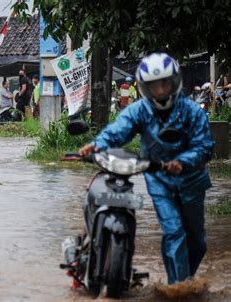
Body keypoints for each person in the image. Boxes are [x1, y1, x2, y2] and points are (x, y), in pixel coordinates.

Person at [79, 52, 214, 285]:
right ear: (144, 87)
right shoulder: (140, 109)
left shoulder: (193, 111)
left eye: (165, 83)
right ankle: (178, 288)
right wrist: (97, 145)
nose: (160, 90)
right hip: (159, 180)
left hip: (192, 181)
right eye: (153, 85)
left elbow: (205, 146)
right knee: (173, 233)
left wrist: (183, 162)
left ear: (175, 82)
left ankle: (187, 279)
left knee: (197, 242)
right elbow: (120, 128)